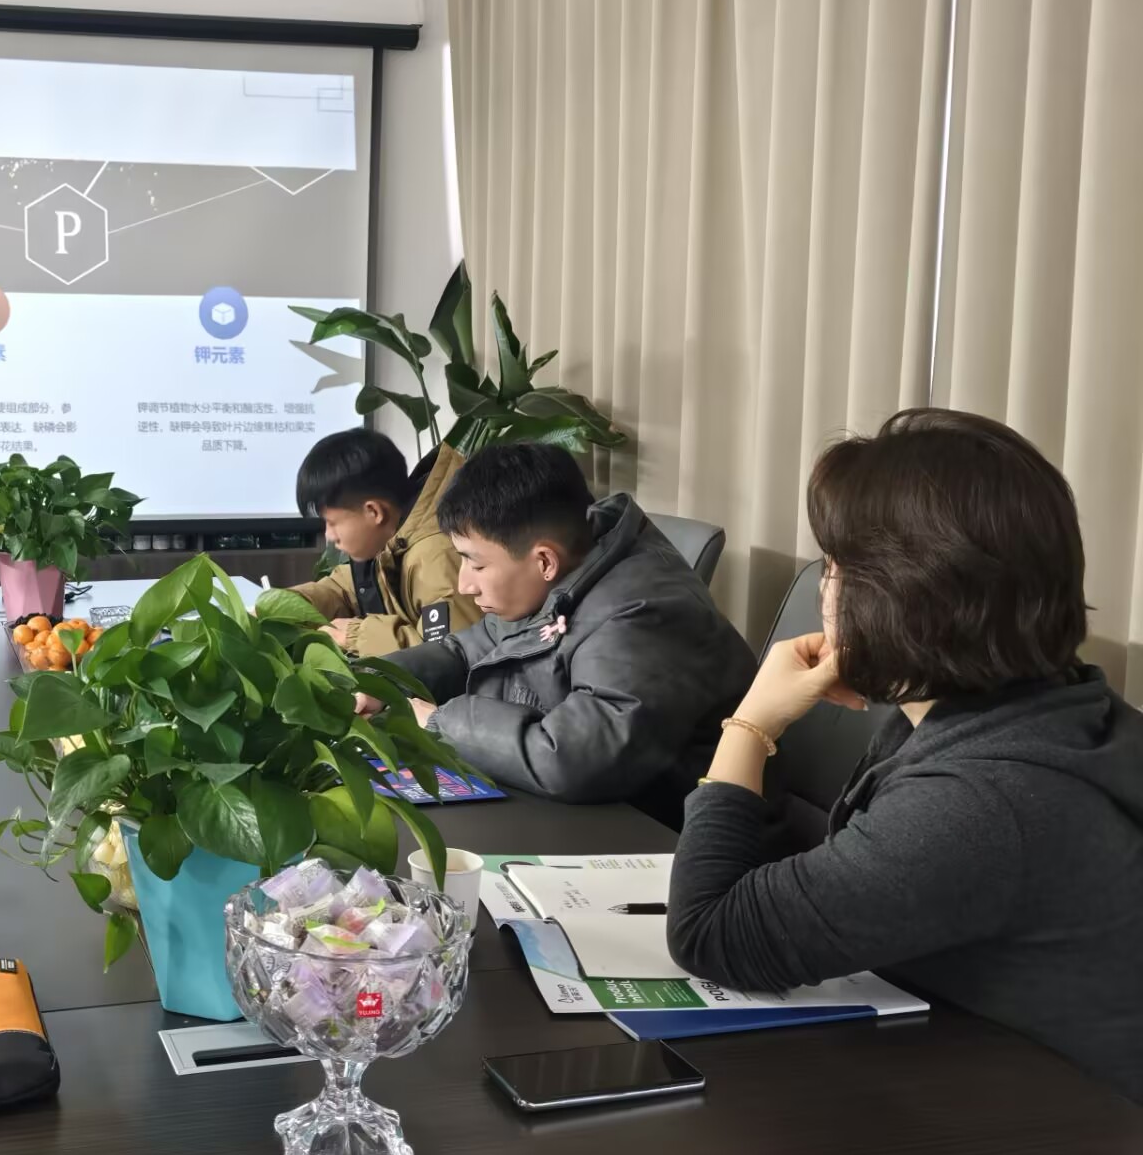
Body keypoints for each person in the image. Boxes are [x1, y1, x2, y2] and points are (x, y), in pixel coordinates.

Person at [667, 409, 1143, 1101]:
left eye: (837, 568)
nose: (823, 588)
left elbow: (710, 933)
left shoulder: (983, 802)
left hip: (1060, 1144)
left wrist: (750, 723)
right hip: (991, 1083)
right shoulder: (1049, 706)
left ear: (905, 599)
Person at [358, 443, 757, 825]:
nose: (465, 585)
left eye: (476, 565)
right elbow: (466, 651)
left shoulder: (644, 614)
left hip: (670, 833)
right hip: (588, 814)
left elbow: (572, 758)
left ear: (544, 561)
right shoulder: (560, 571)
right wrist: (374, 682)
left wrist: (439, 722)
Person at [287, 428, 480, 654]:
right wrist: (285, 605)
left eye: (332, 522)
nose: (329, 535)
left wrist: (356, 636)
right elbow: (343, 590)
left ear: (374, 512)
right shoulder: (392, 539)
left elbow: (452, 656)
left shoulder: (435, 557)